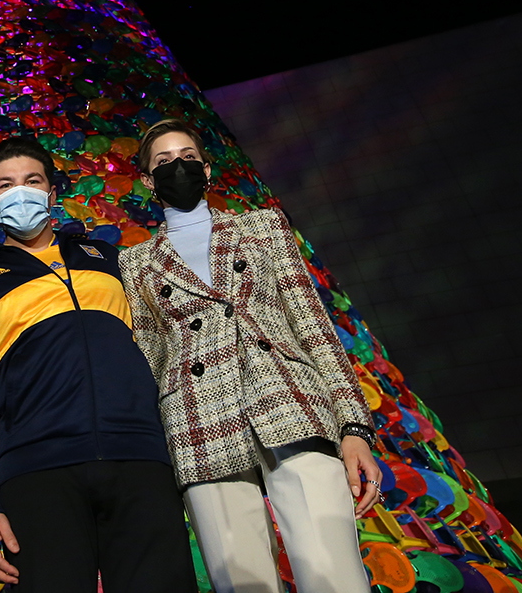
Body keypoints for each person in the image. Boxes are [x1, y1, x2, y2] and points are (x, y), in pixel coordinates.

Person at [119, 119, 382, 593]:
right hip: (198, 424)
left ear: (206, 167)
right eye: (162, 161)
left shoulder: (262, 226)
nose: (177, 166)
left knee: (335, 575)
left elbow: (312, 326)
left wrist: (354, 427)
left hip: (289, 401)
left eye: (187, 157)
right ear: (145, 180)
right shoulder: (135, 262)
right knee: (242, 583)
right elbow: (151, 359)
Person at [0, 136, 196, 592]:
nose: (20, 192)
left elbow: (167, 347)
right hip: (37, 476)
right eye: (6, 185)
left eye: (32, 180)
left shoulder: (112, 260)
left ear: (52, 193)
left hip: (140, 462)